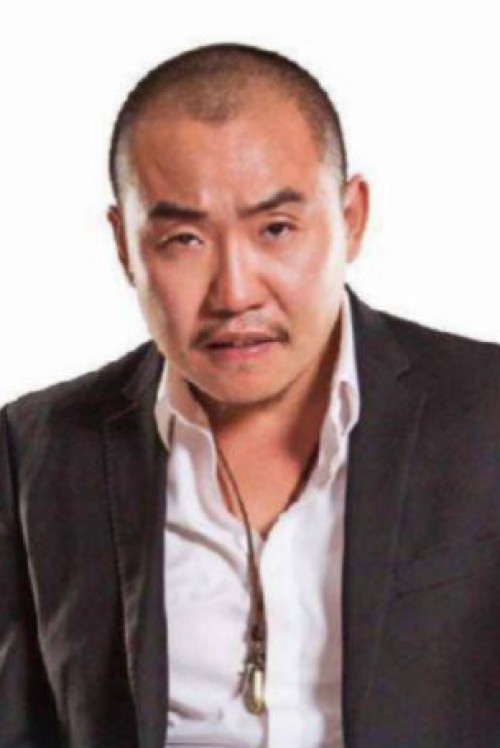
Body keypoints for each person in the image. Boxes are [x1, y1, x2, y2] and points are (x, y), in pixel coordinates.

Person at [2, 42, 500, 748]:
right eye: (183, 239)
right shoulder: (37, 450)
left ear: (351, 218)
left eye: (276, 229)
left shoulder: (486, 412)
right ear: (124, 245)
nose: (235, 293)